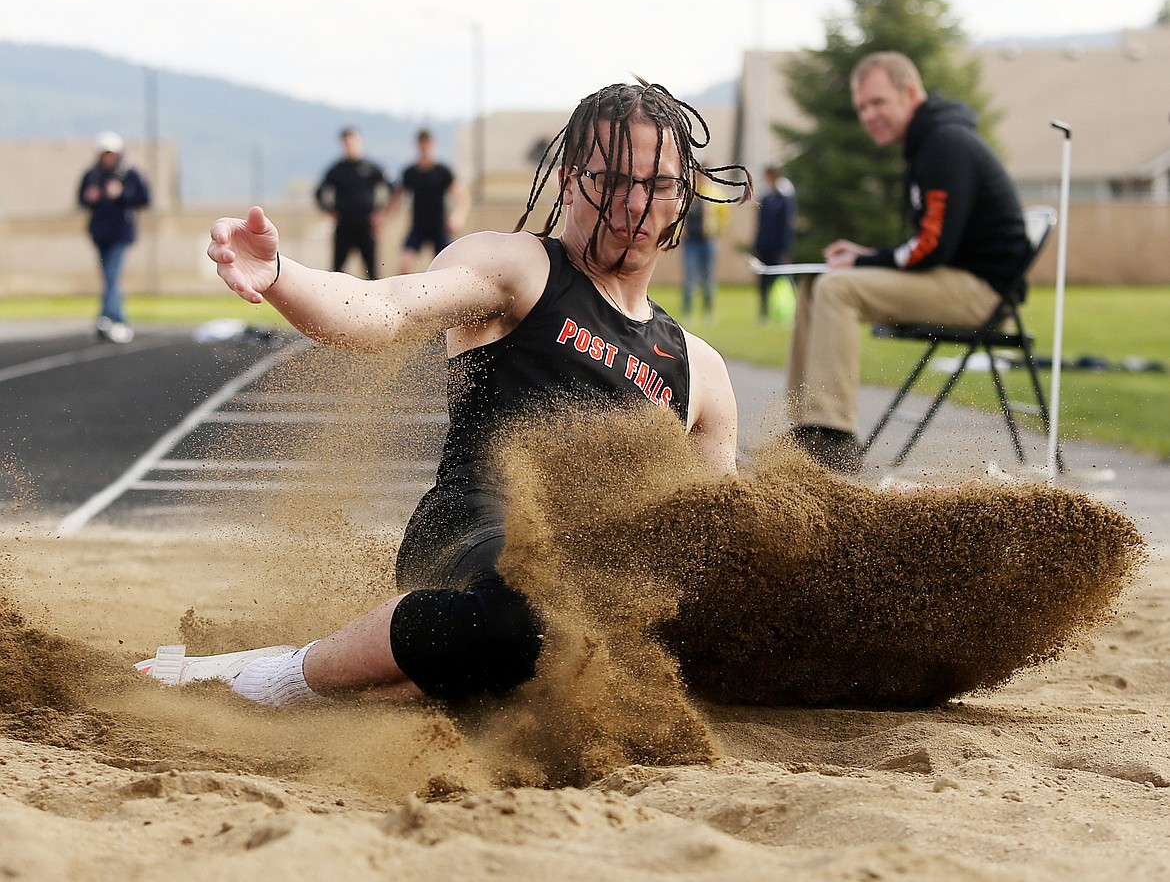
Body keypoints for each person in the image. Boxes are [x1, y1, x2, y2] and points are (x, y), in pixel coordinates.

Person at [137, 81, 750, 708]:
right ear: (569, 181)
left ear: (683, 197)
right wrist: (279, 276)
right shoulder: (519, 270)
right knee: (530, 615)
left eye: (658, 185)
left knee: (614, 638)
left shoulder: (699, 370)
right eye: (613, 181)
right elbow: (385, 310)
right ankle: (279, 678)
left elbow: (710, 535)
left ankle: (365, 677)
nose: (634, 205)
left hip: (585, 581)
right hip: (470, 533)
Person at [785, 51, 1030, 474]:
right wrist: (864, 257)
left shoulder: (945, 145)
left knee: (837, 287)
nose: (868, 115)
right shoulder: (926, 145)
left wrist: (865, 264)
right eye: (862, 106)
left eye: (878, 102)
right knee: (817, 281)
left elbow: (933, 247)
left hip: (982, 294)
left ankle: (833, 438)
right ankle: (806, 427)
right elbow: (926, 245)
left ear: (911, 93)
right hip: (950, 278)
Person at [77, 131, 151, 343]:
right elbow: (81, 199)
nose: (107, 157)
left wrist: (121, 194)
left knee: (111, 276)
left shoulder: (129, 174)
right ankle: (117, 320)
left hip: (120, 233)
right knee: (109, 278)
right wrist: (90, 198)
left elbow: (144, 198)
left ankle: (108, 318)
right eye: (104, 153)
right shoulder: (92, 175)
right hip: (100, 234)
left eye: (110, 153)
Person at [314, 127, 394, 279]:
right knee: (337, 272)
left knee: (372, 272)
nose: (350, 146)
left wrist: (381, 213)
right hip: (344, 227)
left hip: (366, 226)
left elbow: (392, 187)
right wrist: (330, 210)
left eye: (353, 142)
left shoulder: (370, 167)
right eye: (346, 143)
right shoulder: (337, 169)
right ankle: (334, 301)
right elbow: (319, 193)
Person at [391, 129, 467, 274]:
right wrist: (383, 218)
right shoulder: (410, 173)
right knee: (404, 265)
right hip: (418, 227)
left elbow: (462, 196)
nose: (424, 149)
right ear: (417, 147)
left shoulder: (443, 171)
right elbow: (397, 199)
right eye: (422, 145)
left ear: (433, 145)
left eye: (427, 145)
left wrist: (458, 216)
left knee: (448, 268)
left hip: (440, 227)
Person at [752, 165, 797, 321]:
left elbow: (786, 225)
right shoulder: (765, 197)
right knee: (764, 281)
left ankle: (790, 311)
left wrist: (785, 247)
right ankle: (763, 312)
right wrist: (757, 245)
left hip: (779, 247)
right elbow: (761, 224)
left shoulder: (784, 197)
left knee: (784, 278)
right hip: (765, 245)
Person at [680, 175, 727, 318]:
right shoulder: (688, 194)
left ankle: (708, 311)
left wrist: (717, 232)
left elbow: (724, 216)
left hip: (707, 241)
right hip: (690, 242)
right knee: (689, 277)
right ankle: (687, 311)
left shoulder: (714, 194)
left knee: (708, 277)